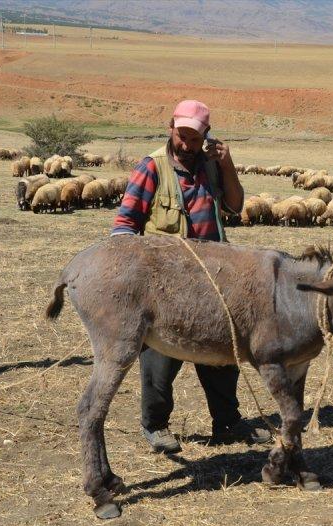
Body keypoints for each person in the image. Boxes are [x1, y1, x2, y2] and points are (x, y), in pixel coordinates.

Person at [112, 99, 270, 453]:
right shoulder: (151, 167)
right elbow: (123, 226)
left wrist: (227, 164)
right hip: (165, 283)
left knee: (221, 352)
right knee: (160, 356)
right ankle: (155, 425)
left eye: (194, 138)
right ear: (171, 127)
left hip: (213, 278)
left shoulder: (212, 167)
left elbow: (235, 205)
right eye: (181, 135)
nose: (186, 144)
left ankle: (227, 423)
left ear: (206, 137)